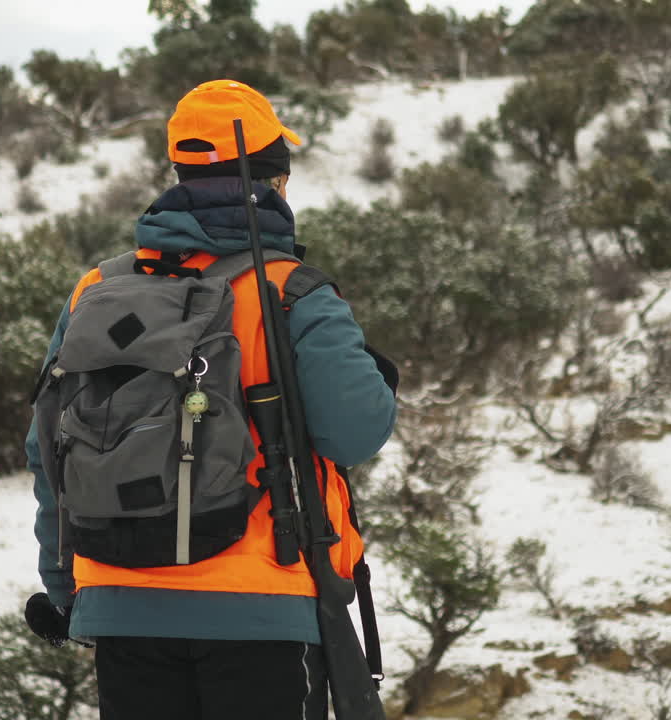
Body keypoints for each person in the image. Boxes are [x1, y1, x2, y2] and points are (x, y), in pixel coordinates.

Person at [24, 79, 396, 720]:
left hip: (120, 603)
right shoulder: (293, 291)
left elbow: (48, 450)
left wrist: (67, 588)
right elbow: (355, 434)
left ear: (179, 173)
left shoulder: (98, 289)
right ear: (276, 179)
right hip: (264, 610)